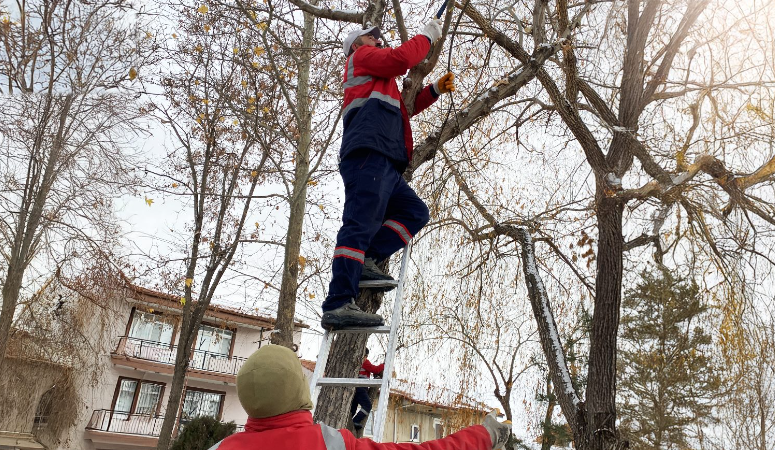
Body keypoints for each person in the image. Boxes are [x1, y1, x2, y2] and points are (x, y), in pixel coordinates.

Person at [321, 20, 456, 330]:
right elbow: (401, 60)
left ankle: (368, 258)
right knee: (359, 223)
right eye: (373, 37)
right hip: (369, 153)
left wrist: (433, 90)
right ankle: (338, 303)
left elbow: (401, 112)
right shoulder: (360, 58)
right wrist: (427, 36)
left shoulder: (379, 81)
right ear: (357, 45)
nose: (379, 41)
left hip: (386, 160)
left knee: (415, 212)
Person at [208, 344, 511, 450]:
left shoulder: (219, 447)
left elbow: (376, 368)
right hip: (358, 392)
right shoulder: (330, 443)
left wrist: (385, 368)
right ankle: (358, 424)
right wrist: (483, 437)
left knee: (364, 404)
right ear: (299, 389)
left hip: (362, 389)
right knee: (362, 405)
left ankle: (359, 422)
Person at [351, 348, 384, 429]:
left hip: (355, 388)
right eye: (365, 356)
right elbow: (375, 370)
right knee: (367, 406)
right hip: (361, 387)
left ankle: (350, 422)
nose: (366, 358)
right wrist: (384, 365)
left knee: (353, 408)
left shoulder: (355, 362)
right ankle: (355, 420)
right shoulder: (364, 362)